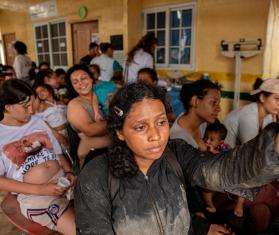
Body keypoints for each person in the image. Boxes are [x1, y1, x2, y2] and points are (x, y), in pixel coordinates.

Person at [75, 81, 279, 235]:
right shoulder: (97, 175)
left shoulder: (176, 154)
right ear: (120, 132)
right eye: (140, 127)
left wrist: (274, 146)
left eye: (161, 122)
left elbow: (222, 171)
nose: (156, 135)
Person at [0, 79, 75, 234]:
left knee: (97, 210)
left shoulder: (37, 121)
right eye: (25, 106)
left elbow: (56, 151)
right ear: (7, 107)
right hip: (35, 195)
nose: (31, 111)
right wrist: (41, 189)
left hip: (63, 182)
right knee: (80, 228)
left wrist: (68, 172)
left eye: (32, 104)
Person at [66, 64, 111, 165]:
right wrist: (119, 121)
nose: (81, 83)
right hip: (93, 156)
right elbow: (91, 131)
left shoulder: (101, 95)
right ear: (72, 86)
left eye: (83, 78)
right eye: (75, 82)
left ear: (91, 78)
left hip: (112, 150)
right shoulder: (74, 104)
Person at [202, 122, 245, 218]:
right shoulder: (203, 146)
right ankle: (210, 205)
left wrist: (213, 152)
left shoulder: (225, 148)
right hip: (213, 178)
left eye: (211, 140)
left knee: (243, 185)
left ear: (221, 142)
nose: (207, 141)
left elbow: (228, 159)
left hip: (227, 175)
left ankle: (239, 205)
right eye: (206, 137)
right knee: (206, 188)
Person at [224, 77, 279, 148]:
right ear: (262, 98)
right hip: (226, 155)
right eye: (277, 99)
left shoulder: (268, 116)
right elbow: (252, 150)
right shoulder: (248, 115)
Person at [170, 79, 221, 150]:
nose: (219, 109)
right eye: (213, 103)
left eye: (218, 104)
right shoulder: (179, 139)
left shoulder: (202, 122)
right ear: (195, 101)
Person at [33, 83, 68, 148]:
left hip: (69, 130)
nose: (40, 94)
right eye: (38, 93)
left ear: (48, 89)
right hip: (57, 133)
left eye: (42, 90)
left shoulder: (59, 101)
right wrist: (57, 135)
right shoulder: (41, 106)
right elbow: (42, 122)